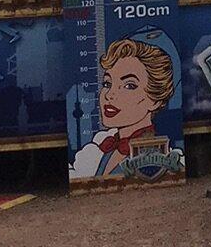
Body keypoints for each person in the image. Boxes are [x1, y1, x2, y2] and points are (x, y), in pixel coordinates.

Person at [70, 35, 183, 180]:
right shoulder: (107, 148)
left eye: (129, 86)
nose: (109, 95)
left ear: (154, 100)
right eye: (107, 84)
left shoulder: (156, 151)